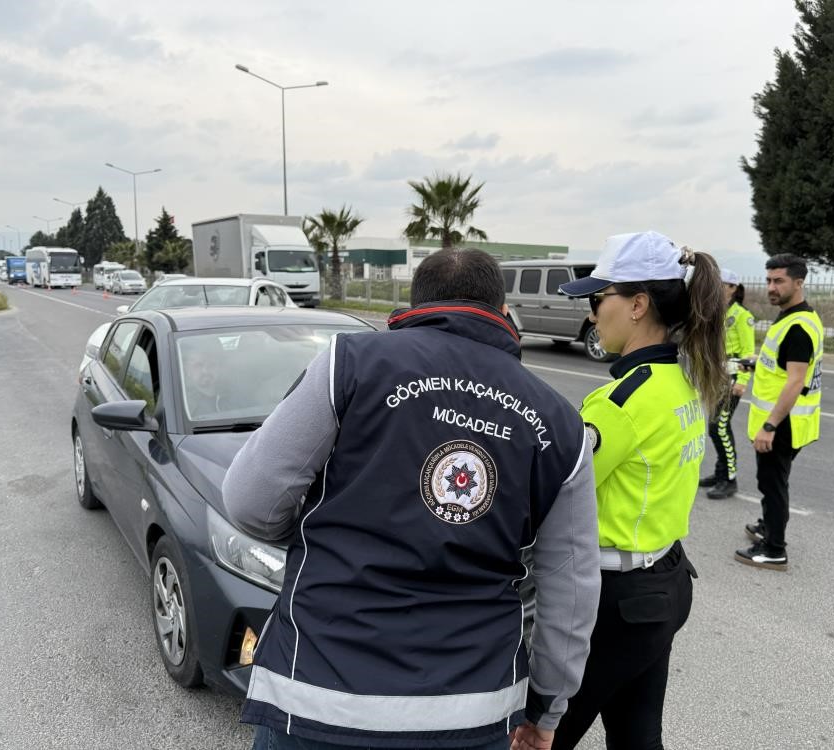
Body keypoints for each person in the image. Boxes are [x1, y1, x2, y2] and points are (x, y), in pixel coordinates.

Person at [222, 248, 600, 750]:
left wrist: (319, 530)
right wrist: (547, 708)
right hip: (473, 711)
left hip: (318, 695)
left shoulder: (348, 364)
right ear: (503, 311)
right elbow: (571, 592)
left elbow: (250, 501)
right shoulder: (561, 424)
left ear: (415, 304)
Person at [547, 231, 727, 750]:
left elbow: (554, 495)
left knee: (540, 737)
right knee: (637, 738)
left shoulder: (620, 401)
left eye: (598, 298)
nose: (591, 314)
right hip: (664, 582)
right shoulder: (684, 381)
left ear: (637, 305)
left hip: (618, 602)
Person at [736, 253, 823, 571]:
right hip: (789, 419)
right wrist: (757, 363)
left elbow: (796, 381)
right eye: (769, 280)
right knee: (774, 481)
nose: (771, 287)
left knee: (772, 485)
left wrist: (769, 426)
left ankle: (774, 550)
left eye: (779, 281)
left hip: (782, 422)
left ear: (798, 283)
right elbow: (784, 365)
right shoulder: (794, 316)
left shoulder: (798, 327)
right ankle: (769, 526)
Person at [699, 269, 755, 499]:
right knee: (715, 427)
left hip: (733, 376)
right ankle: (720, 472)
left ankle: (729, 479)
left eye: (723, 285)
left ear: (733, 288)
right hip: (718, 376)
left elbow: (749, 352)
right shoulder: (716, 312)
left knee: (719, 427)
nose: (718, 288)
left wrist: (742, 381)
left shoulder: (742, 316)